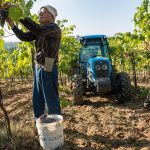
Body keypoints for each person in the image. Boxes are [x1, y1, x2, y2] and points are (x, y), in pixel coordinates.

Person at [6, 5, 61, 119]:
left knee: (51, 98)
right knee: (37, 97)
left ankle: (55, 126)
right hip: (38, 66)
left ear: (51, 16)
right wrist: (11, 23)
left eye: (43, 11)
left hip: (49, 66)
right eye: (39, 11)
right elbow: (24, 37)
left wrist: (19, 14)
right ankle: (40, 122)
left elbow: (39, 30)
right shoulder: (40, 29)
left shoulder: (54, 28)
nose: (39, 13)